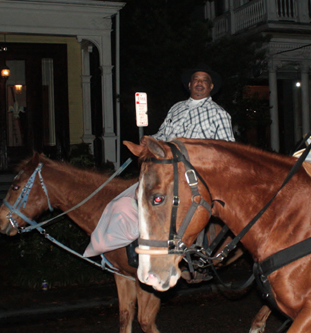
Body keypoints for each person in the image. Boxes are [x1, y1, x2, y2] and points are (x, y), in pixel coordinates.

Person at [85, 64, 234, 258]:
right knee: (129, 200)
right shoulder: (176, 108)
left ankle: (196, 252)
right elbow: (163, 134)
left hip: (194, 174)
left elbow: (228, 148)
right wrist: (150, 140)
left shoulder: (219, 114)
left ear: (211, 87)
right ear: (189, 84)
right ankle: (129, 244)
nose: (199, 83)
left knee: (170, 205)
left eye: (204, 80)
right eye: (196, 80)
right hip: (167, 169)